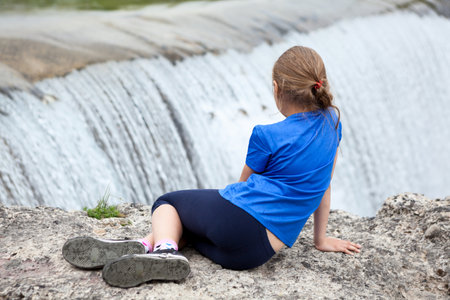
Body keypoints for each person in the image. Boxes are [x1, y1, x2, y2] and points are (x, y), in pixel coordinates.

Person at [62, 46, 361, 288]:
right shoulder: (333, 123)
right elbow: (324, 184)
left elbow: (241, 189)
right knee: (191, 231)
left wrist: (214, 208)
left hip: (237, 226)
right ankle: (144, 246)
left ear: (276, 88)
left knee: (169, 204)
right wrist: (320, 240)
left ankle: (163, 250)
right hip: (254, 254)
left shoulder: (267, 135)